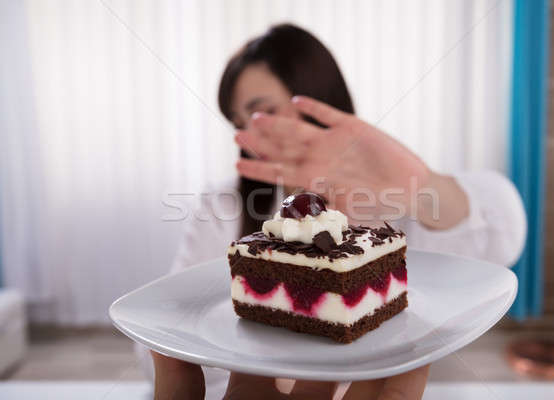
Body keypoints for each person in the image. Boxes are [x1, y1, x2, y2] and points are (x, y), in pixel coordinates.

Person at [142, 23, 527, 399]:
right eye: (238, 123)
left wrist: (421, 187)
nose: (248, 138)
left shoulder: (387, 196)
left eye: (262, 113)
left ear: (317, 96)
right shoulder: (222, 205)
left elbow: (504, 231)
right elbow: (158, 345)